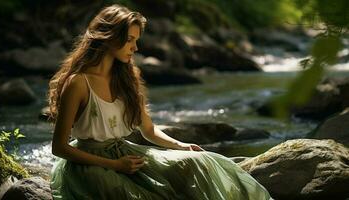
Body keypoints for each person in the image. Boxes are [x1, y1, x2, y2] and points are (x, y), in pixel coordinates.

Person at [48, 4, 272, 200]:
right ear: (109, 37)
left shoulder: (126, 78)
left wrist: (181, 146)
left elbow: (148, 130)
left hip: (125, 154)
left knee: (199, 162)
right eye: (129, 40)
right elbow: (59, 147)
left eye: (136, 40)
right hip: (90, 166)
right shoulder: (78, 83)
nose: (135, 48)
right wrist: (115, 165)